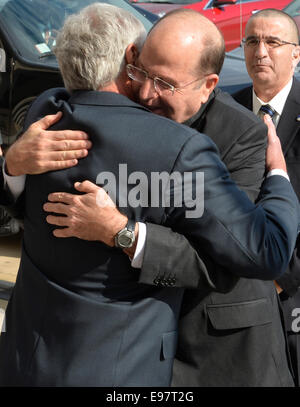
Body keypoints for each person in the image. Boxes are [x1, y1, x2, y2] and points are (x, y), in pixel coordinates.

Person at [0, 3, 298, 387]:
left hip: (212, 349)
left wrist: (123, 232)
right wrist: (13, 162)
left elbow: (233, 255)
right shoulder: (54, 118)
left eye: (167, 84)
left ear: (209, 85)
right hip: (121, 353)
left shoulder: (240, 134)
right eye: (142, 72)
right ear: (131, 59)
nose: (146, 92)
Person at [233, 8, 300, 386]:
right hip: (233, 292)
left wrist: (279, 279)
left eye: (273, 42)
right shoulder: (225, 108)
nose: (261, 51)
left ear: (296, 53)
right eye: (252, 41)